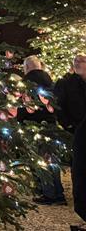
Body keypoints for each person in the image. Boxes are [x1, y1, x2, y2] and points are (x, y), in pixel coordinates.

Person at [15, 56, 63, 205]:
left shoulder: (25, 84)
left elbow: (23, 109)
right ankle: (59, 194)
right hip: (51, 125)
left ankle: (47, 194)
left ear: (27, 68)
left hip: (33, 127)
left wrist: (20, 120)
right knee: (52, 160)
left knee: (39, 161)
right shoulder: (52, 82)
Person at [55, 54, 86, 223]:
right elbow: (59, 106)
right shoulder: (66, 83)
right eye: (75, 61)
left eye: (82, 61)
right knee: (80, 170)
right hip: (77, 132)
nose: (78, 63)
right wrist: (68, 126)